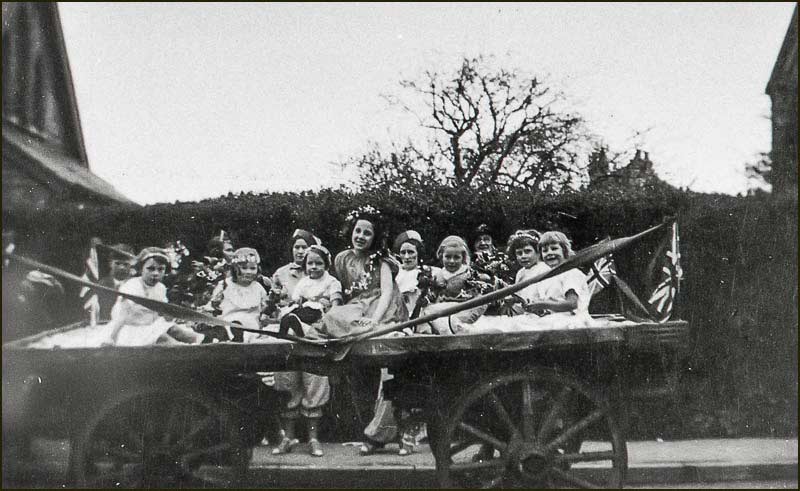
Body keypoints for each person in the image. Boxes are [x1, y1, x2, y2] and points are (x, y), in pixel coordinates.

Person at [271, 245, 341, 458]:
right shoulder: (303, 282)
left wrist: (325, 308)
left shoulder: (331, 282)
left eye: (319, 263)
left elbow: (336, 307)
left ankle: (313, 438)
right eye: (310, 263)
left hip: (319, 329)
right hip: (298, 332)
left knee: (314, 384)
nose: (314, 267)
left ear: (326, 264)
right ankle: (288, 437)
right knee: (289, 380)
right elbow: (295, 301)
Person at [317, 210, 408, 339]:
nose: (360, 236)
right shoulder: (343, 258)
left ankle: (378, 329)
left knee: (367, 322)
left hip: (379, 305)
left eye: (367, 233)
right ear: (351, 232)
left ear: (374, 238)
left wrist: (375, 318)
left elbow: (387, 292)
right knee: (332, 317)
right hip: (357, 305)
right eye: (357, 231)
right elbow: (340, 288)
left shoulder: (381, 260)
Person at [106, 247, 204, 346]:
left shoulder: (160, 288)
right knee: (164, 339)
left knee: (177, 331)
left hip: (150, 324)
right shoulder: (132, 286)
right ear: (141, 269)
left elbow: (162, 313)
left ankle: (204, 343)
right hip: (131, 329)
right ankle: (186, 350)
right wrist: (111, 338)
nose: (155, 273)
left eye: (161, 269)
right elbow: (122, 315)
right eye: (151, 269)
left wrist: (169, 316)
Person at [420, 235, 493, 335]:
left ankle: (458, 328)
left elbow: (481, 298)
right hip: (442, 310)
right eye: (448, 257)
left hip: (463, 309)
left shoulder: (469, 274)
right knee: (426, 311)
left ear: (463, 258)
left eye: (456, 257)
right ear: (442, 256)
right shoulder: (438, 275)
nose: (452, 261)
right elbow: (433, 295)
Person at [208, 247, 269, 342]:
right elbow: (213, 306)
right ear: (235, 269)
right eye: (244, 268)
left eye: (252, 268)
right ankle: (224, 336)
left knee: (249, 332)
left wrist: (267, 313)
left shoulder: (258, 287)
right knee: (226, 328)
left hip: (250, 324)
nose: (249, 272)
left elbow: (265, 307)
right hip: (228, 321)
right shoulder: (225, 284)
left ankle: (238, 338)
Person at [95, 244, 135, 321]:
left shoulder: (136, 285)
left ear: (131, 265)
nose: (121, 267)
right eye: (117, 263)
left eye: (126, 264)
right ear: (110, 263)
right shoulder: (100, 285)